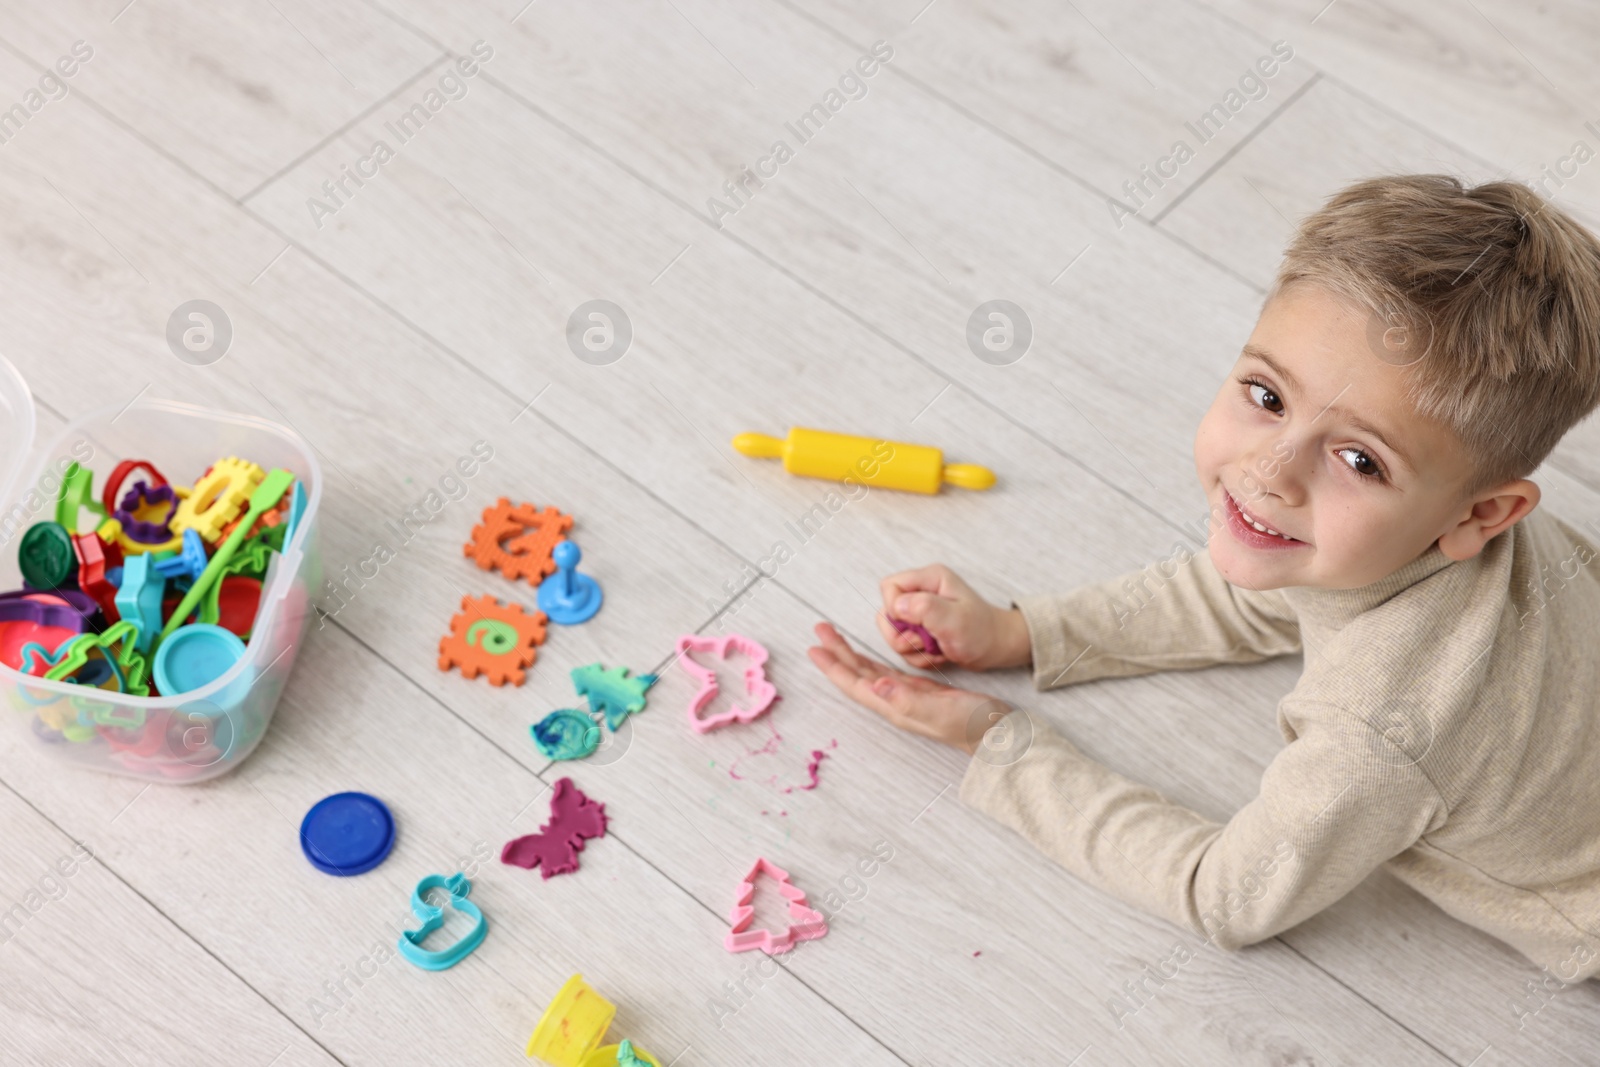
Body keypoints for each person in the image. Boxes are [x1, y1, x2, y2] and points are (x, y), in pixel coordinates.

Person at [809, 175, 1600, 982]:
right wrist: (1026, 633)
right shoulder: (1447, 533)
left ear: (1484, 516)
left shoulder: (1380, 734)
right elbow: (1261, 591)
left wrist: (994, 740)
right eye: (1267, 395)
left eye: (1360, 459)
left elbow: (1225, 895)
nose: (1271, 470)